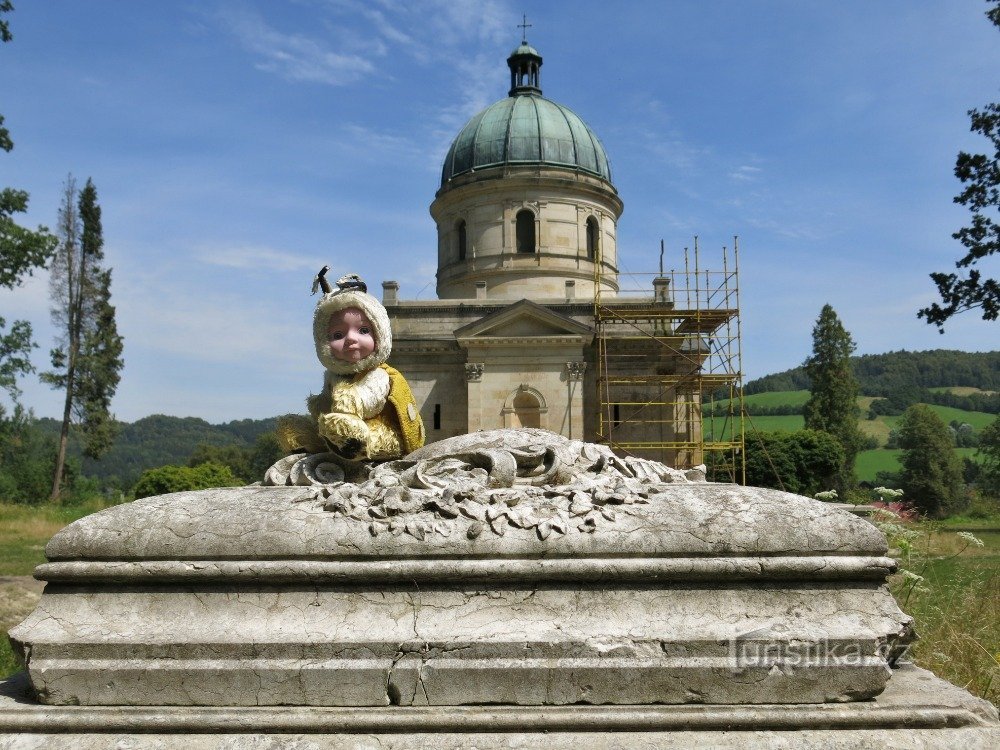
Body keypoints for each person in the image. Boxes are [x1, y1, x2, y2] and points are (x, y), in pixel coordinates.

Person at [278, 268, 424, 462]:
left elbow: (371, 400)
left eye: (363, 330)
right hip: (338, 426)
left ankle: (353, 444)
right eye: (338, 335)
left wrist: (348, 402)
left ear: (381, 335)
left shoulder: (379, 375)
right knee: (296, 427)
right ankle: (310, 442)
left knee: (375, 434)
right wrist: (321, 407)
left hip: (380, 430)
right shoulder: (332, 375)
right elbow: (326, 401)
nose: (350, 340)